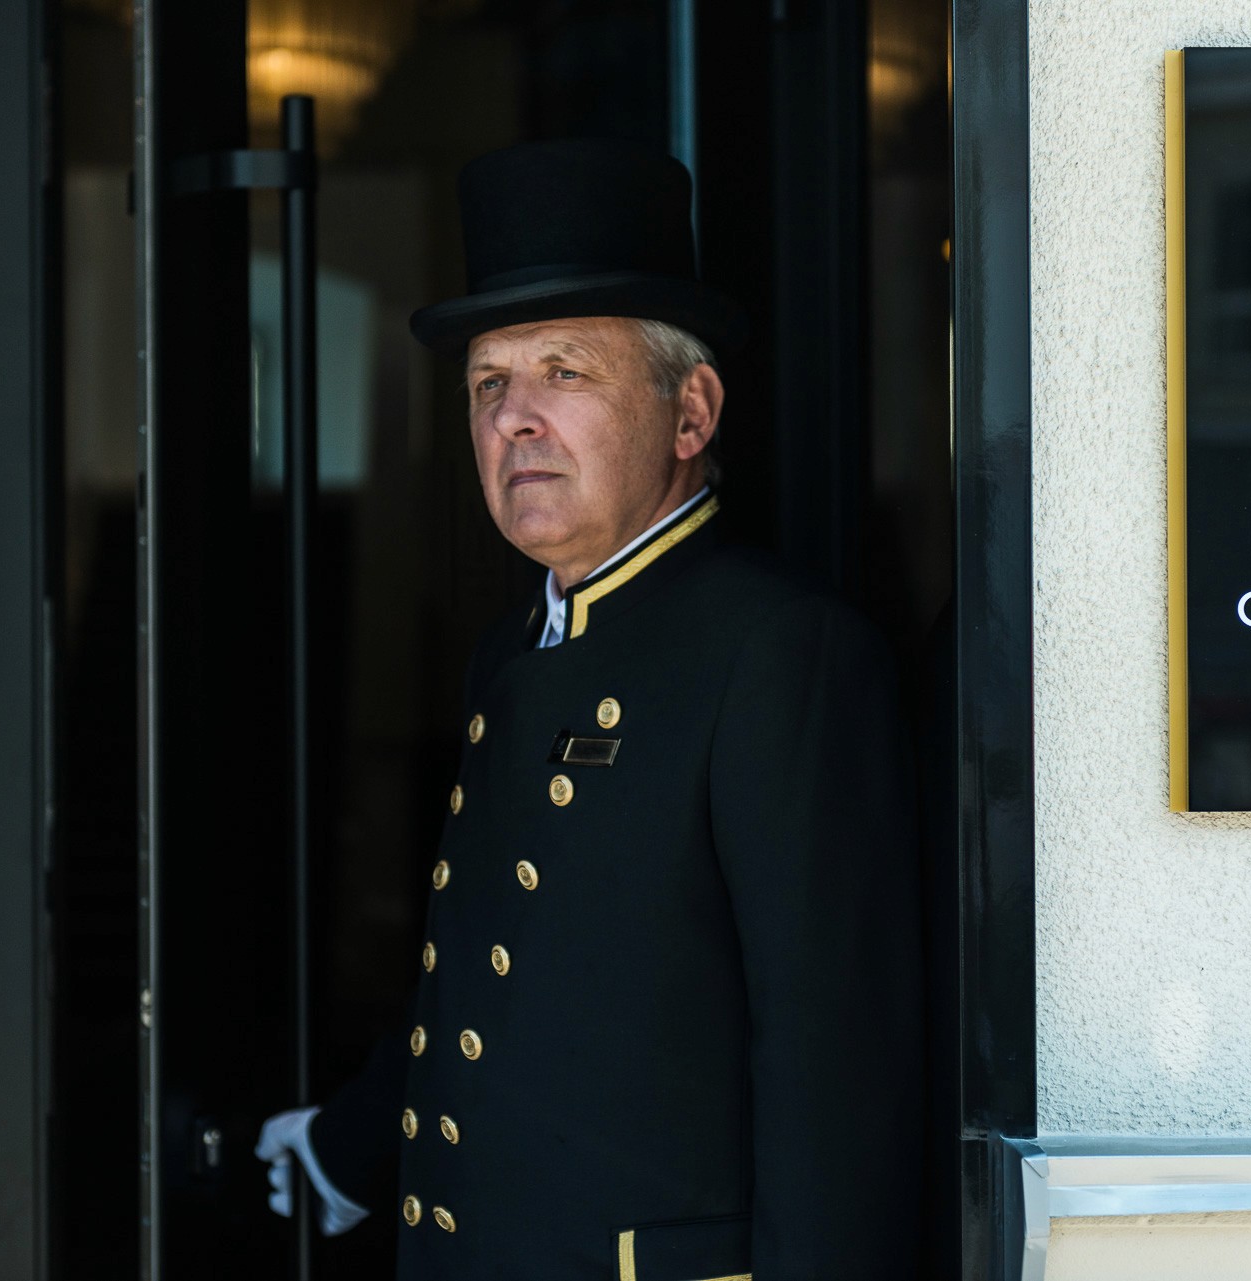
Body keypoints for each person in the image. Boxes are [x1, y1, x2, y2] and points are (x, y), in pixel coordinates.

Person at [255, 136, 923, 1280]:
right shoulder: (516, 651)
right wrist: (349, 1149)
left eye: (564, 371)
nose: (516, 417)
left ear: (691, 410)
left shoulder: (778, 654)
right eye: (487, 383)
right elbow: (496, 985)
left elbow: (838, 1079)